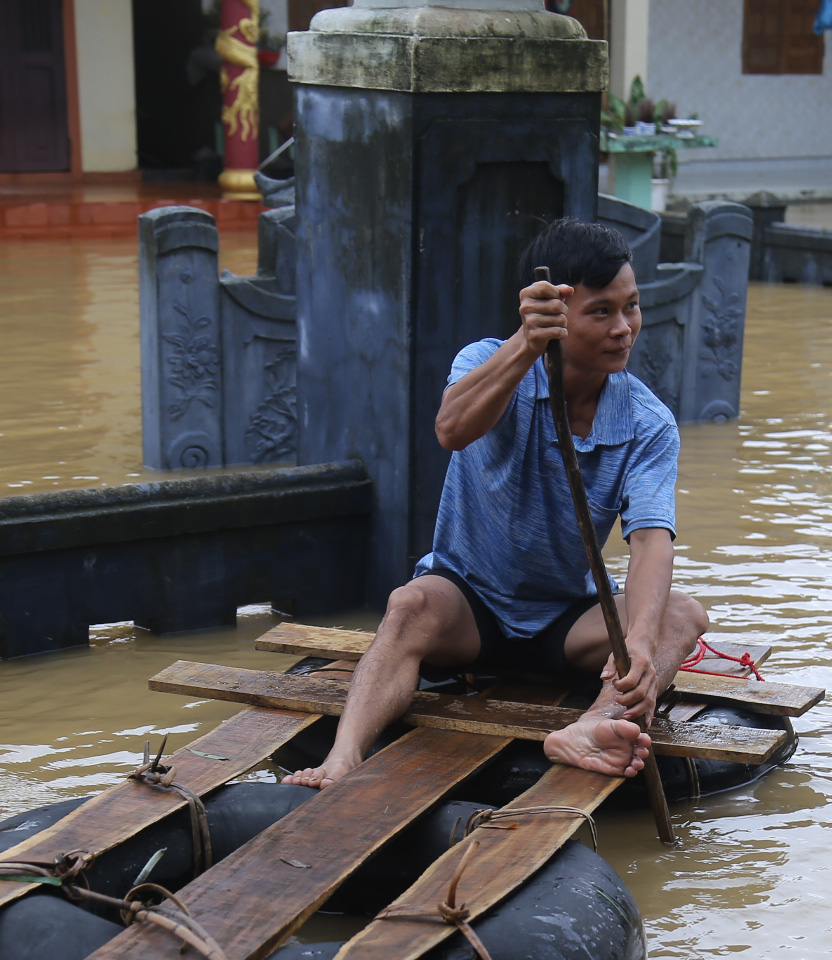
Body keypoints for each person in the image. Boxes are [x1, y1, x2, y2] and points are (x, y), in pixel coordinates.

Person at [283, 217, 709, 789]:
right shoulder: (488, 361)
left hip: (564, 618)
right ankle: (341, 761)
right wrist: (527, 344)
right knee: (409, 604)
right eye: (601, 312)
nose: (623, 328)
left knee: (680, 616)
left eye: (630, 307)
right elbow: (451, 430)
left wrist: (637, 643)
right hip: (470, 606)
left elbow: (652, 538)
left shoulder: (647, 422)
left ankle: (592, 725)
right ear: (554, 313)